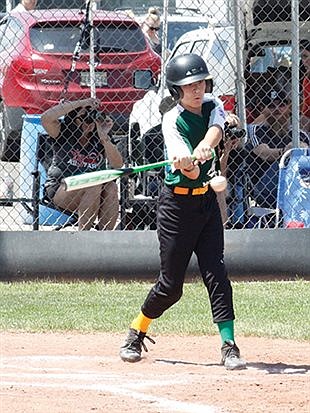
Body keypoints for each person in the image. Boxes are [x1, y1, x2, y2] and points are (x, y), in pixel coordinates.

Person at [119, 53, 246, 370]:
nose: (197, 88)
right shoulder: (171, 120)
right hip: (177, 206)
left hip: (206, 204)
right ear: (177, 90)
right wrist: (188, 162)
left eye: (201, 82)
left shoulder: (211, 103)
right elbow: (189, 174)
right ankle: (137, 331)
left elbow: (218, 127)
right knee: (171, 286)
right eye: (190, 85)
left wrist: (205, 144)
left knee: (216, 273)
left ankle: (229, 345)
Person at [41, 98, 123, 231]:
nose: (88, 122)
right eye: (83, 117)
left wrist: (104, 138)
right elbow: (46, 118)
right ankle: (84, 237)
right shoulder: (63, 132)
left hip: (94, 190)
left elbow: (118, 164)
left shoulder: (98, 137)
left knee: (111, 186)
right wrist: (82, 103)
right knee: (93, 184)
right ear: (73, 119)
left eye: (91, 117)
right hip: (62, 188)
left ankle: (105, 237)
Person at [246, 90, 309, 209]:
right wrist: (286, 152)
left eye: (281, 105)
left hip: (299, 186)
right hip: (265, 188)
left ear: (289, 107)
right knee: (286, 161)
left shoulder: (298, 133)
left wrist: (303, 150)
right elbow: (263, 153)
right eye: (271, 106)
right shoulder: (256, 130)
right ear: (262, 109)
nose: (277, 109)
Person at [300, 40, 310, 134]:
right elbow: (306, 111)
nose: (304, 61)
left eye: (305, 56)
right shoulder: (306, 80)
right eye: (302, 57)